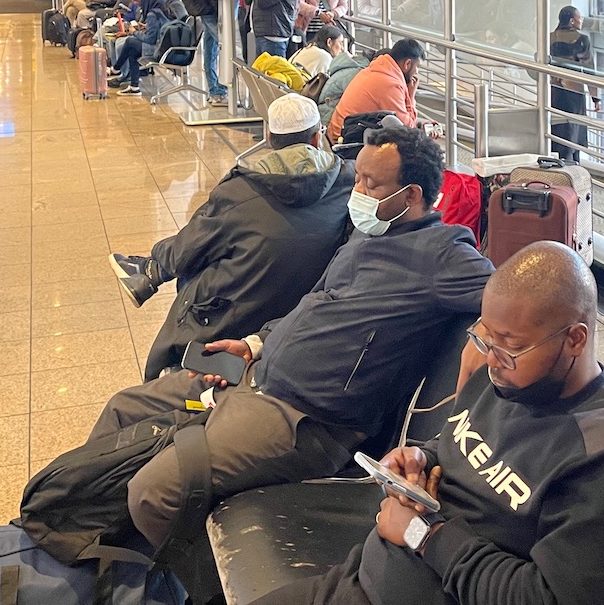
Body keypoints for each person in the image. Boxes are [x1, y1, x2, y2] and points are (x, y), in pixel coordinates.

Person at [86, 126, 493, 577]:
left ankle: (197, 585)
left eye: (370, 185)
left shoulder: (442, 255)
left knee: (154, 493)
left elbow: (521, 295)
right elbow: (312, 303)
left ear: (411, 195)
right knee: (123, 409)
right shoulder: (366, 236)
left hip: (301, 420)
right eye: (356, 178)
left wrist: (485, 335)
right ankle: (92, 540)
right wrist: (254, 343)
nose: (355, 192)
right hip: (252, 376)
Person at [252, 241, 604, 605]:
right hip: (364, 579)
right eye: (485, 337)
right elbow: (464, 447)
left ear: (575, 338)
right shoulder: (510, 377)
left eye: (510, 347)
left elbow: (542, 598)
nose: (490, 361)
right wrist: (422, 458)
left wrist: (423, 534)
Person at [110, 94, 355, 379]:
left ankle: (151, 270)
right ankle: (150, 271)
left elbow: (186, 252)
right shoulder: (350, 182)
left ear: (270, 138)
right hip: (302, 306)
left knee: (201, 250)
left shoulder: (240, 189)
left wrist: (161, 254)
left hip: (238, 313)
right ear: (317, 137)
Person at [327, 38, 423, 144]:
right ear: (407, 64)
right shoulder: (389, 84)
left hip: (340, 133)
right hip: (345, 144)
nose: (417, 72)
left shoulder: (376, 70)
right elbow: (408, 131)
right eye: (418, 67)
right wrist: (411, 96)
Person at [548, 6, 597, 164]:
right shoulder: (582, 40)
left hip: (554, 91)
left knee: (557, 128)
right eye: (579, 17)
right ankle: (574, 166)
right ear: (571, 20)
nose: (581, 20)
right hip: (574, 93)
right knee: (574, 130)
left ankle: (560, 164)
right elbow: (589, 70)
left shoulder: (549, 38)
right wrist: (596, 98)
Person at [109, 0, 170, 96]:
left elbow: (150, 40)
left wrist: (134, 32)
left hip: (156, 49)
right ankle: (134, 86)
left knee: (130, 42)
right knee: (133, 52)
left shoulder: (152, 15)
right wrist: (147, 27)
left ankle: (116, 69)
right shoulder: (161, 11)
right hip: (162, 46)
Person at [318, 46, 369, 132]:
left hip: (323, 111)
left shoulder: (347, 67)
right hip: (328, 119)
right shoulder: (356, 73)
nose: (342, 47)